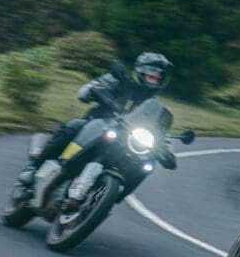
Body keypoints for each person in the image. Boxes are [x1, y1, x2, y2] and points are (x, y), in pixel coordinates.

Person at [18, 52, 174, 185]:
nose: (154, 80)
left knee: (146, 164)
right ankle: (34, 166)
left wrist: (166, 149)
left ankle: (108, 193)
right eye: (151, 75)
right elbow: (84, 92)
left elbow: (158, 131)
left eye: (158, 78)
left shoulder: (152, 106)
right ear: (140, 71)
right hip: (94, 126)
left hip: (122, 143)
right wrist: (97, 91)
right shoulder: (119, 80)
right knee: (74, 126)